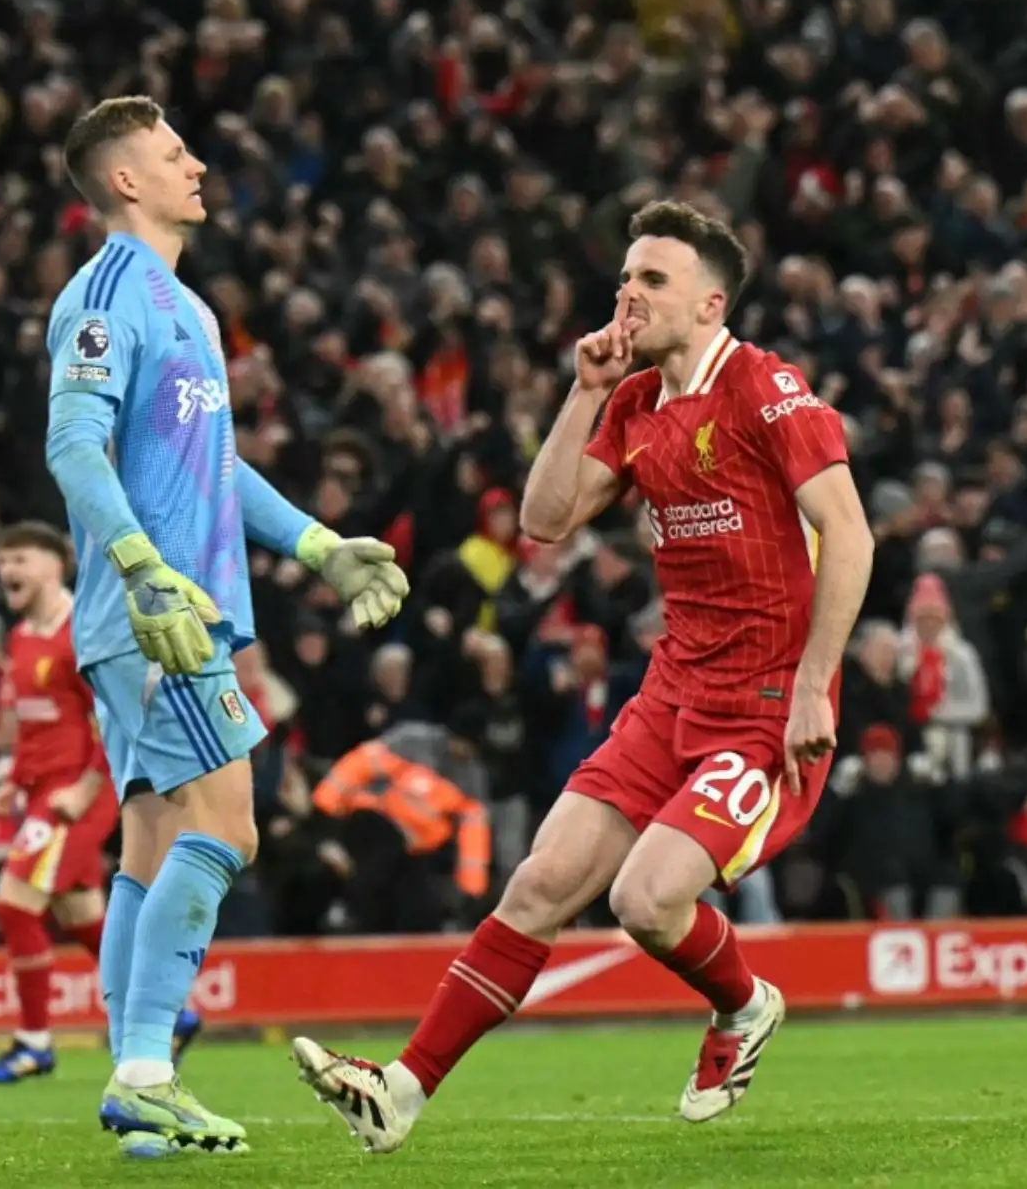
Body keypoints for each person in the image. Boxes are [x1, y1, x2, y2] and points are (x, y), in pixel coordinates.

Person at [292, 202, 873, 1150]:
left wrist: (815, 684)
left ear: (711, 302)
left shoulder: (766, 388)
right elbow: (544, 519)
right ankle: (401, 1090)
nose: (629, 294)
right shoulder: (636, 404)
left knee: (646, 900)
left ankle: (744, 1003)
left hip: (764, 702)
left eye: (654, 279)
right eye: (625, 277)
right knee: (540, 882)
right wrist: (583, 392)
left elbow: (850, 534)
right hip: (670, 694)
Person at [43, 96, 410, 1158]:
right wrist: (143, 567)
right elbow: (73, 446)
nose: (196, 164)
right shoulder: (107, 295)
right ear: (125, 181)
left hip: (167, 614)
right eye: (173, 153)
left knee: (154, 842)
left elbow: (217, 465)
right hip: (158, 617)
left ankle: (137, 1087)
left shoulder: (190, 309)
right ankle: (145, 1071)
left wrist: (318, 546)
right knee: (230, 826)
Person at [0, 521, 121, 1084]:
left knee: (13, 905)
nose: (7, 570)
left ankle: (34, 1042)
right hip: (43, 793)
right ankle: (171, 1015)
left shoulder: (84, 630)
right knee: (83, 919)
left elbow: (112, 717)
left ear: (56, 565)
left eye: (20, 559)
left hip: (80, 793)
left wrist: (86, 788)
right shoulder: (20, 637)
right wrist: (14, 783)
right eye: (2, 561)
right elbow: (36, 728)